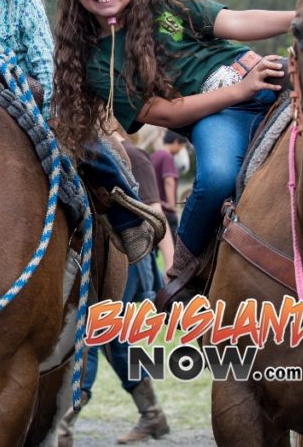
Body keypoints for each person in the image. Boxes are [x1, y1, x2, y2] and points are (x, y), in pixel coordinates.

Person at [39, 0, 294, 303]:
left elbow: (236, 21)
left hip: (261, 72)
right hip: (220, 113)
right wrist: (240, 90)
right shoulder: (95, 61)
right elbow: (165, 113)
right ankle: (182, 276)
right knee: (216, 180)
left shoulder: (166, 4)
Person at [60, 131, 171, 446]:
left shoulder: (134, 157)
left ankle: (64, 423)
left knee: (95, 334)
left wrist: (171, 264)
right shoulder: (102, 149)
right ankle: (151, 412)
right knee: (113, 338)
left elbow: (154, 214)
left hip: (128, 257)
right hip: (107, 254)